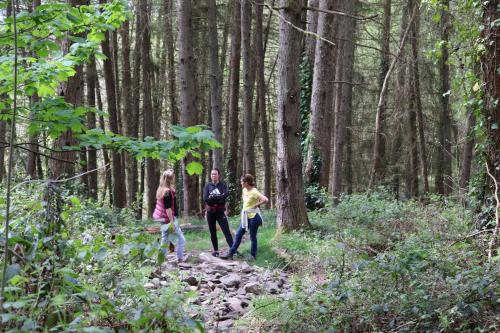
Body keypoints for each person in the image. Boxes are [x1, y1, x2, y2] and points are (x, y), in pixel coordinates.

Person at [221, 174, 268, 260]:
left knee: (252, 237)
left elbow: (265, 199)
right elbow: (245, 202)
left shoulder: (254, 191)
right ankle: (231, 254)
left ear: (246, 182)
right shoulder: (244, 190)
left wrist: (256, 205)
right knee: (238, 234)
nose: (241, 183)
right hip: (246, 217)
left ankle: (253, 256)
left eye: (242, 182)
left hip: (254, 218)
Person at [152, 169, 186, 262]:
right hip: (167, 218)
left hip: (161, 217)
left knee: (164, 238)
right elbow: (168, 208)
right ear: (170, 179)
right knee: (181, 239)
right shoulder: (167, 192)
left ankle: (161, 259)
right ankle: (180, 259)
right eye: (173, 177)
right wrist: (172, 222)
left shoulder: (161, 188)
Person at [203, 168, 234, 257]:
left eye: (215, 174)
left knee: (226, 231)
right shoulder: (207, 186)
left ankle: (233, 250)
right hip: (210, 212)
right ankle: (215, 250)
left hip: (220, 212)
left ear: (218, 175)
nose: (213, 175)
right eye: (212, 174)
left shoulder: (222, 185)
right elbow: (205, 198)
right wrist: (218, 198)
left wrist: (213, 198)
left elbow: (225, 195)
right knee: (212, 232)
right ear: (210, 175)